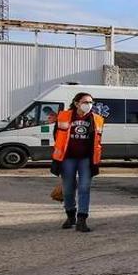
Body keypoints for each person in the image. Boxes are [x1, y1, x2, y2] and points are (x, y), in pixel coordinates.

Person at [50, 92, 104, 232]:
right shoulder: (64, 116)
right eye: (85, 102)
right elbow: (57, 136)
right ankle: (70, 215)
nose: (89, 105)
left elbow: (97, 140)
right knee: (68, 189)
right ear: (76, 103)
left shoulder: (97, 119)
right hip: (68, 158)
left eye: (91, 102)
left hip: (86, 159)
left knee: (84, 188)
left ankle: (82, 219)